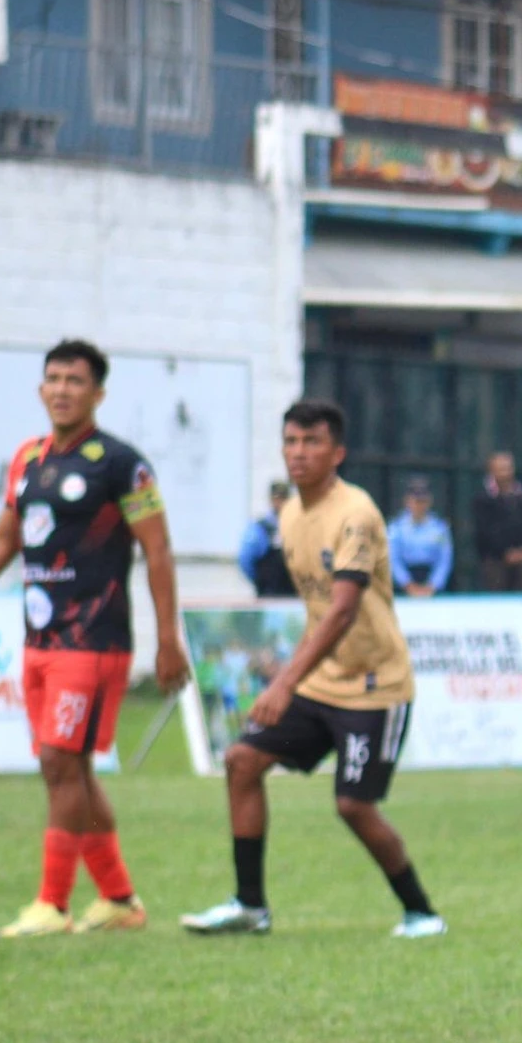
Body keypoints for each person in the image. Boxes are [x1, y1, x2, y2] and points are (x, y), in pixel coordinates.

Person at [0, 340, 190, 938]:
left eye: (75, 380)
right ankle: (117, 900)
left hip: (94, 639)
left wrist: (168, 639)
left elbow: (157, 550)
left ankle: (53, 904)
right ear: (41, 389)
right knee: (68, 769)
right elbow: (2, 543)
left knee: (63, 763)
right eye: (53, 378)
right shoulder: (27, 460)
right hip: (40, 640)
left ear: (98, 394)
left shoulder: (121, 464)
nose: (62, 389)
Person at [180, 399, 444, 941]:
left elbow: (344, 608)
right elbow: (318, 611)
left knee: (353, 805)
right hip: (322, 681)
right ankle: (250, 905)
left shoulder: (357, 514)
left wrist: (281, 682)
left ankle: (421, 912)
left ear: (338, 452)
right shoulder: (290, 515)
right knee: (242, 761)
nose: (299, 453)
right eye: (291, 442)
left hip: (376, 686)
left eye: (312, 442)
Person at [472, 451, 522, 592]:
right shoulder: (482, 498)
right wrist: (504, 552)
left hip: (521, 559)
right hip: (494, 561)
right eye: (500, 469)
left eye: (507, 468)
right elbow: (484, 530)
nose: (505, 473)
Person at [387, 475, 452, 596]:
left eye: (423, 501)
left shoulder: (439, 528)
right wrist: (408, 585)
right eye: (416, 501)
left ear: (429, 501)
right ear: (407, 501)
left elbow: (444, 560)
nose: (419, 505)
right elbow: (393, 559)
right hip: (403, 585)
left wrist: (433, 585)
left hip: (432, 583)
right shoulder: (396, 528)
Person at [237, 481, 296, 597]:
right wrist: (261, 581)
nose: (280, 503)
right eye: (277, 498)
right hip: (268, 595)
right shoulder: (260, 528)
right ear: (271, 500)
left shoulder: (298, 525)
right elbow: (245, 560)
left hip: (294, 596)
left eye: (283, 498)